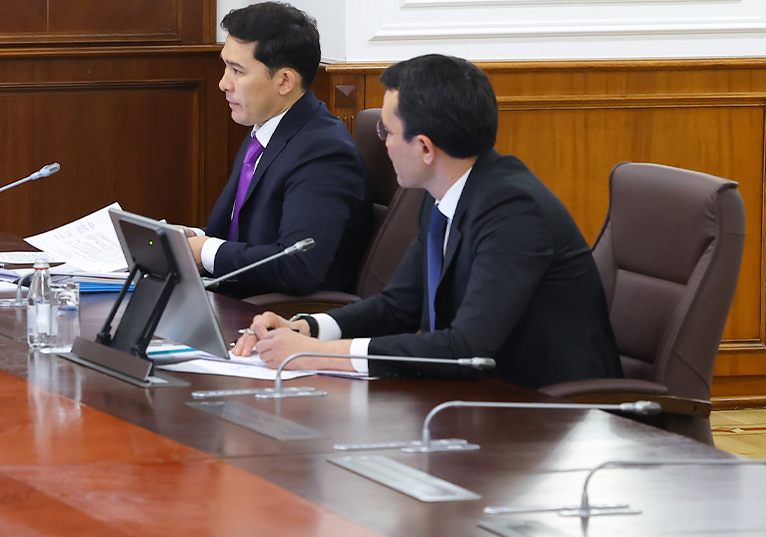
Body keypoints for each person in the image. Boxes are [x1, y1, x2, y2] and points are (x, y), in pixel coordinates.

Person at [234, 54, 621, 390]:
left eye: (387, 131)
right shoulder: (443, 194)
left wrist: (319, 355)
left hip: (551, 412)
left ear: (424, 148)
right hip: (478, 400)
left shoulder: (514, 212)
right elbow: (398, 307)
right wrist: (308, 329)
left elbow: (466, 348)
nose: (383, 142)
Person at [186, 3, 371, 297]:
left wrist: (206, 250)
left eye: (237, 70)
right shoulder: (265, 131)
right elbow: (241, 236)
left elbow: (298, 266)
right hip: (233, 297)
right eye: (226, 66)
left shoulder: (324, 152)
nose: (223, 83)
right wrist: (190, 239)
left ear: (284, 81)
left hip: (276, 315)